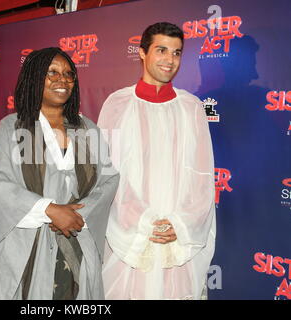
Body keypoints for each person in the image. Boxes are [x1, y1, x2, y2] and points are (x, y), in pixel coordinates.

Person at [0, 47, 119, 299]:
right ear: (35, 77)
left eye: (69, 74)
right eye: (52, 73)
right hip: (27, 247)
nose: (63, 80)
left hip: (78, 239)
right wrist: (48, 210)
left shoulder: (88, 129)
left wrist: (75, 215)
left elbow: (108, 180)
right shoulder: (12, 128)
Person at [99, 22, 216, 300]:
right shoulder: (117, 104)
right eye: (161, 50)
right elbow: (105, 175)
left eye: (176, 53)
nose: (169, 60)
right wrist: (143, 221)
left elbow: (202, 177)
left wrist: (179, 223)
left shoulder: (191, 107)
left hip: (178, 238)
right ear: (142, 53)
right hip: (130, 237)